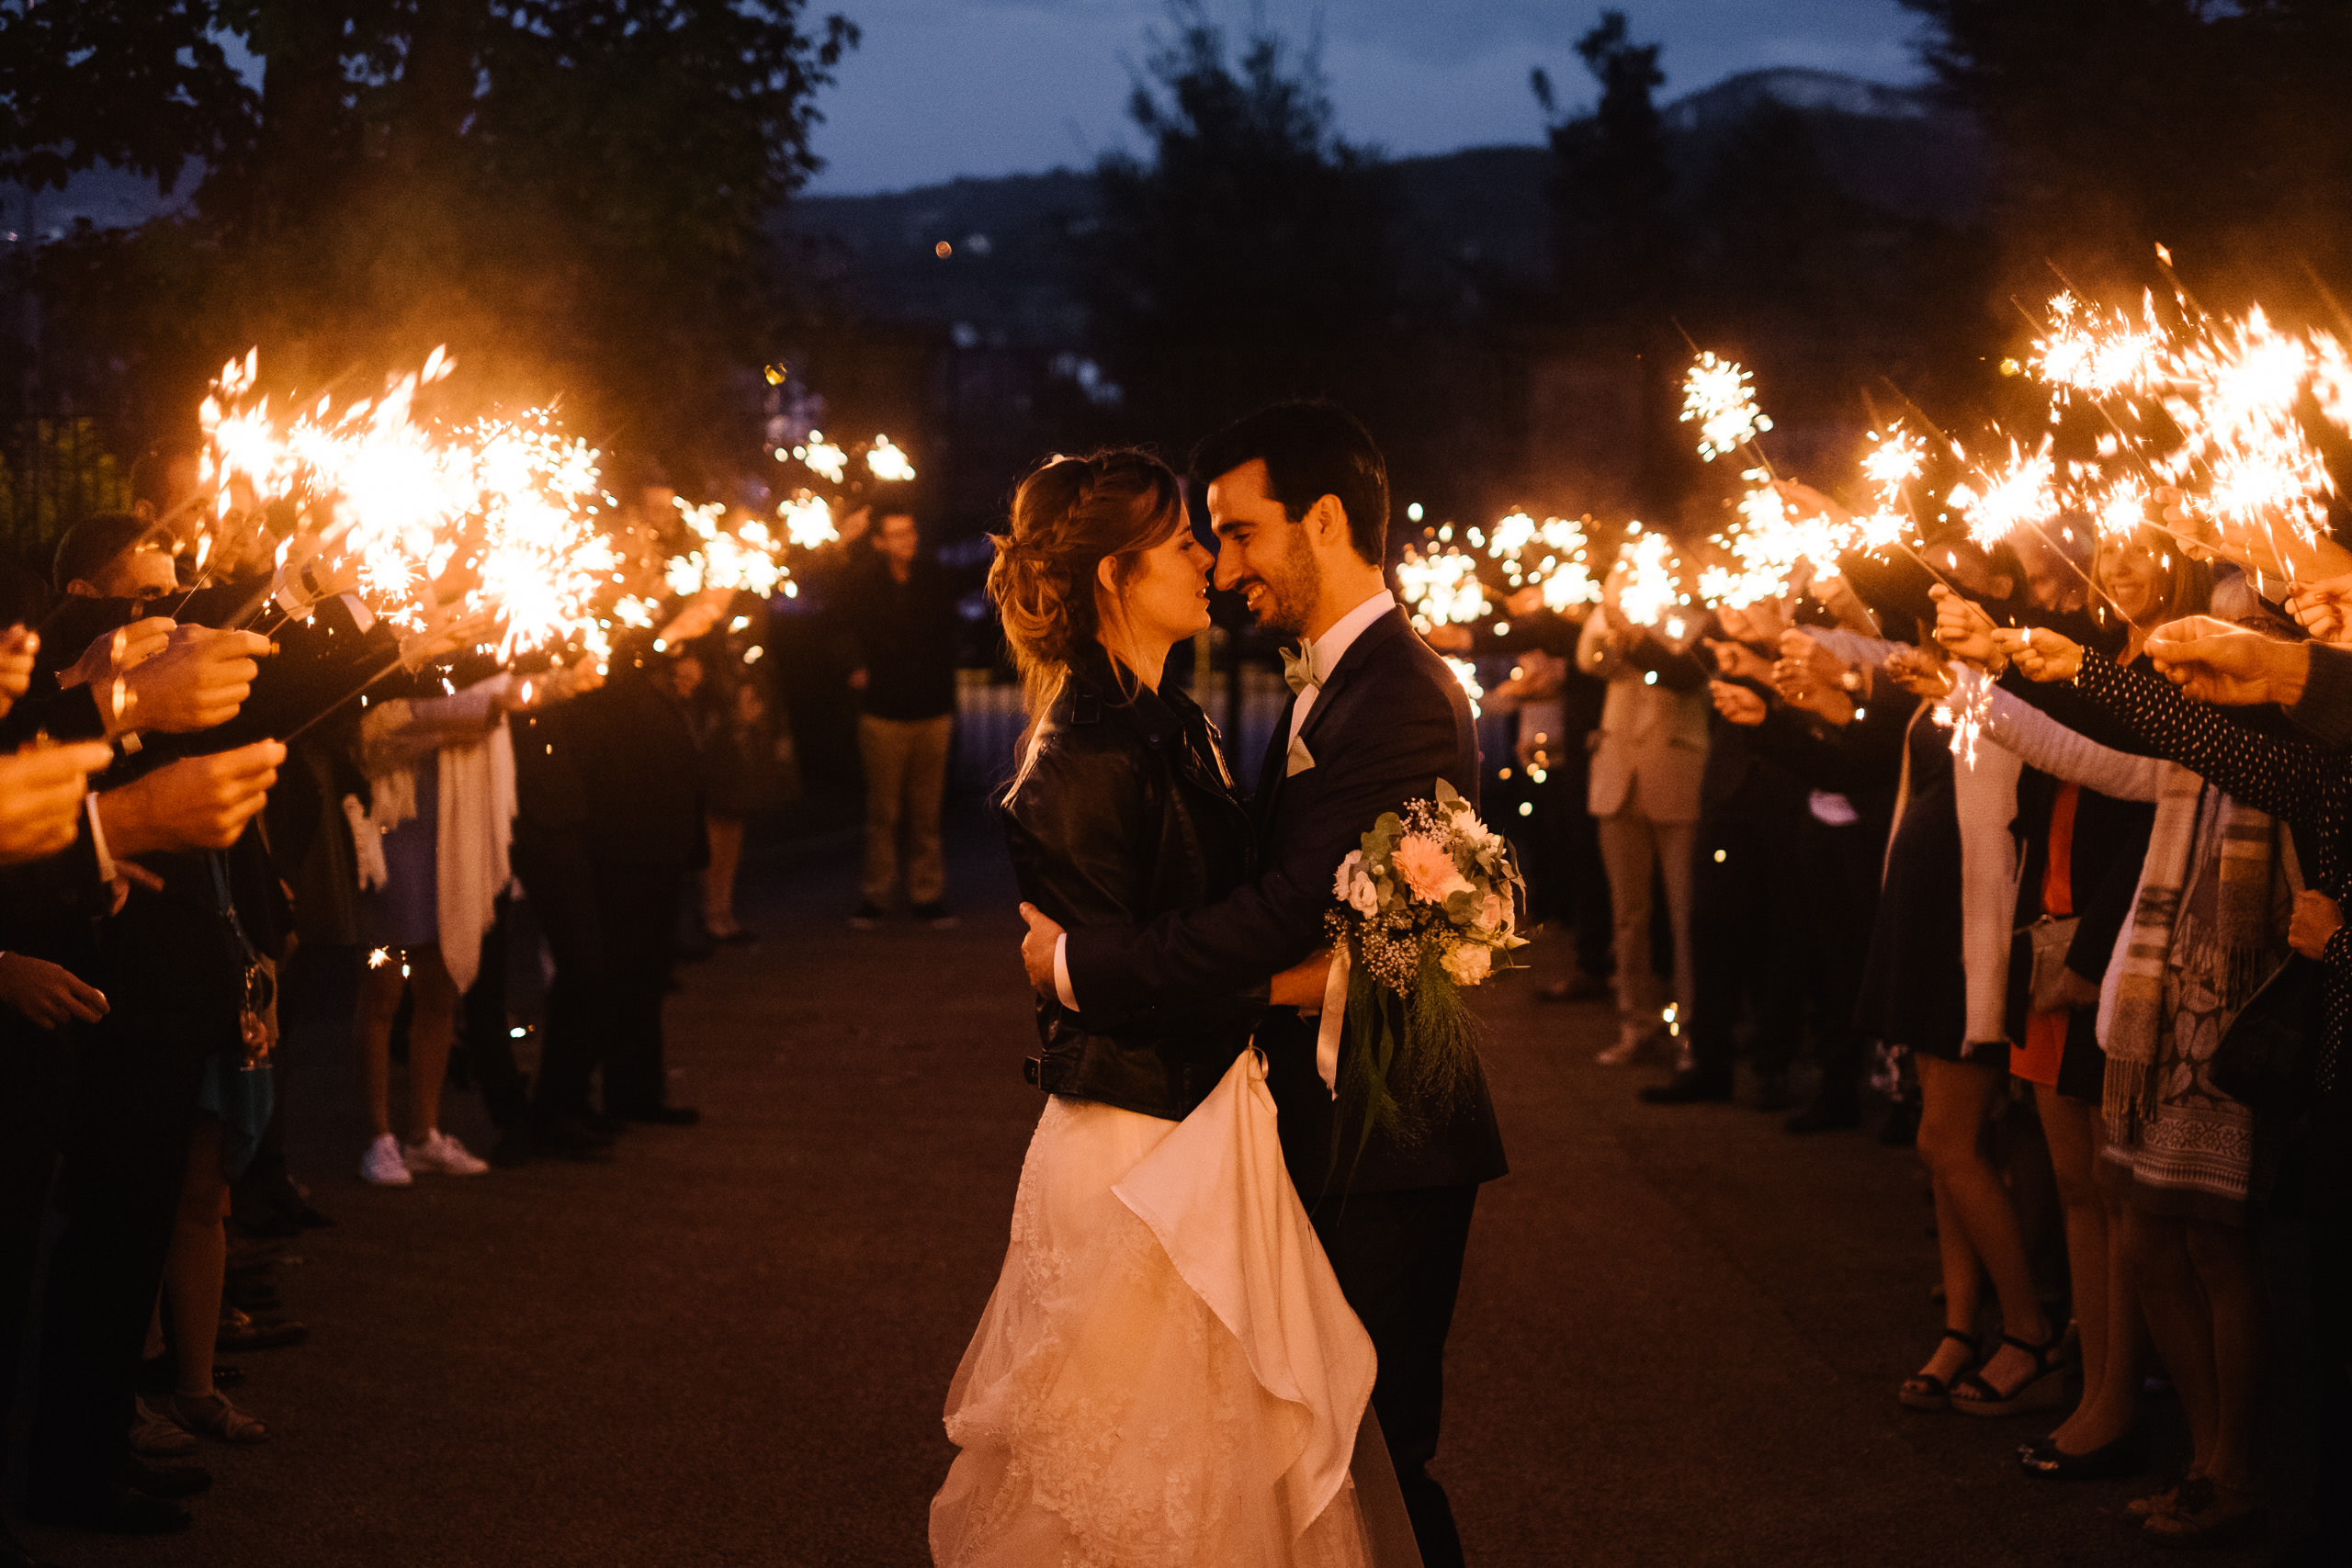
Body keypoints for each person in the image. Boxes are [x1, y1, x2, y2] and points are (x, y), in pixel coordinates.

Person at [1019, 403, 1504, 1568]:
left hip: (1384, 1134)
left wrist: (1079, 968)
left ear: (1323, 520)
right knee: (1307, 1449)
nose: (1222, 563)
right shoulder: (1319, 685)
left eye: (1237, 533)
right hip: (1290, 1120)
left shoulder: (1392, 691)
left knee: (1370, 1452)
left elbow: (1287, 907)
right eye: (1202, 539)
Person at [936, 448, 1410, 1567]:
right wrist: (1078, 971)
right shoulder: (1082, 753)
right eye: (1184, 542)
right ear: (1115, 573)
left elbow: (1170, 934)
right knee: (1131, 1473)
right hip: (1143, 1143)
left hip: (1203, 1118)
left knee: (1224, 1456)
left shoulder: (1171, 718)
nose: (1208, 560)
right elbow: (1137, 978)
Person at [1576, 559, 1711, 1066]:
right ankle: (1636, 1022)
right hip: (1618, 777)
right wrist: (1611, 611)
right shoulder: (1610, 613)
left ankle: (1693, 1034)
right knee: (1628, 915)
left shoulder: (1695, 614)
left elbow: (1683, 673)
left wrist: (1642, 629)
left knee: (1684, 914)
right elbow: (1591, 660)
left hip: (1676, 773)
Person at [841, 509, 961, 928]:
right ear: (880, 542)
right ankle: (877, 895)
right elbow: (838, 622)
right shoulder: (865, 583)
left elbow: (950, 630)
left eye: (909, 531)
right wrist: (856, 665)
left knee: (926, 811)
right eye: (895, 534)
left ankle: (927, 894)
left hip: (931, 707)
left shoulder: (933, 578)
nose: (906, 540)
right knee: (884, 811)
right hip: (884, 710)